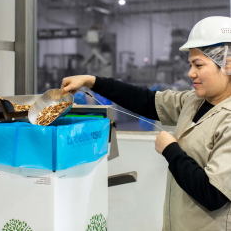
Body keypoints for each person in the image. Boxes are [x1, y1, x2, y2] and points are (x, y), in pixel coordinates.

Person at [61, 16, 231, 230]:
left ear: (227, 63)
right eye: (190, 65)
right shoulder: (194, 101)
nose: (190, 73)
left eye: (198, 65)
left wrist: (171, 150)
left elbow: (213, 194)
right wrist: (92, 81)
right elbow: (146, 100)